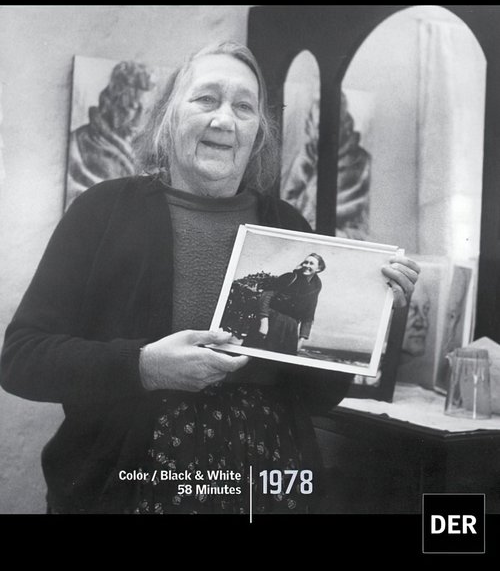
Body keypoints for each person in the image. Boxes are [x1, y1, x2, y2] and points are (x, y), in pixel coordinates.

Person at [0, 41, 420, 515]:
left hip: (268, 490)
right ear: (168, 117)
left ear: (258, 133)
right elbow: (21, 360)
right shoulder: (102, 211)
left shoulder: (288, 228)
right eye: (206, 99)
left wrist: (373, 314)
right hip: (126, 487)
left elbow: (319, 396)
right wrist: (144, 366)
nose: (224, 120)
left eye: (244, 106)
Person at [66, 60, 155, 208]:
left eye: (145, 111)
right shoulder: (80, 142)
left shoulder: (149, 149)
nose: (139, 120)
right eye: (133, 107)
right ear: (113, 102)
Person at [252, 253, 326, 354]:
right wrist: (264, 322)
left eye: (311, 263)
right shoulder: (290, 277)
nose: (307, 265)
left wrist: (302, 338)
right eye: (305, 262)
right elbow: (266, 296)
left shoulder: (316, 287)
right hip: (272, 321)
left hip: (291, 328)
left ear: (319, 268)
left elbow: (309, 313)